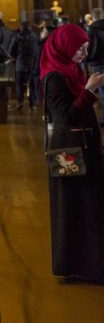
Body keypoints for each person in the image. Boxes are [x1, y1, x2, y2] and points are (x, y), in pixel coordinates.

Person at [39, 23, 104, 282]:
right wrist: (88, 91)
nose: (83, 53)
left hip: (85, 148)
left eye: (86, 47)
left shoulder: (72, 69)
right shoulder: (55, 76)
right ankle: (75, 265)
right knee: (73, 208)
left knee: (90, 206)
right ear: (65, 46)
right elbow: (65, 117)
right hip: (69, 151)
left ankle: (91, 263)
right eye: (79, 47)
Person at [9, 21, 39, 111]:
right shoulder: (34, 37)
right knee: (31, 84)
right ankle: (32, 103)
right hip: (31, 63)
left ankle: (20, 102)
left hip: (20, 64)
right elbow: (37, 49)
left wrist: (14, 56)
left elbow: (11, 50)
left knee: (19, 84)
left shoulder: (17, 37)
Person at [83, 8, 104, 99]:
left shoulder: (92, 30)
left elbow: (92, 49)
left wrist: (87, 60)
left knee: (102, 91)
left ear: (92, 17)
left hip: (98, 64)